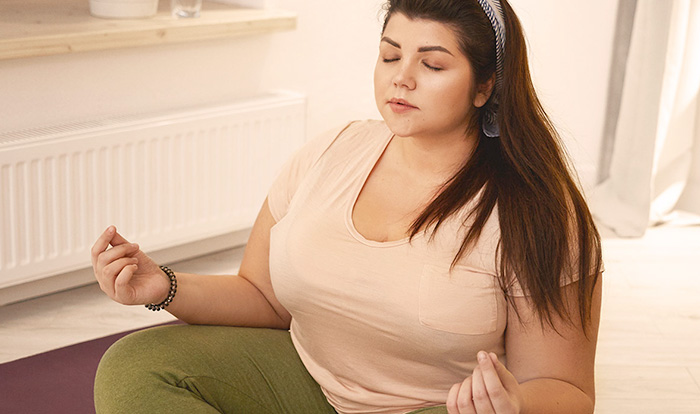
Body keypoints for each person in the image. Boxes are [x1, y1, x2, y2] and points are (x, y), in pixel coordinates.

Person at [91, 0, 603, 413]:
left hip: (433, 408)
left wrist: (513, 406)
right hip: (307, 383)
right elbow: (263, 297)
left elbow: (567, 389)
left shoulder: (537, 212)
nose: (401, 77)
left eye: (432, 64)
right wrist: (163, 285)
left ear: (485, 87)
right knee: (137, 365)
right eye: (389, 56)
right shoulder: (331, 151)